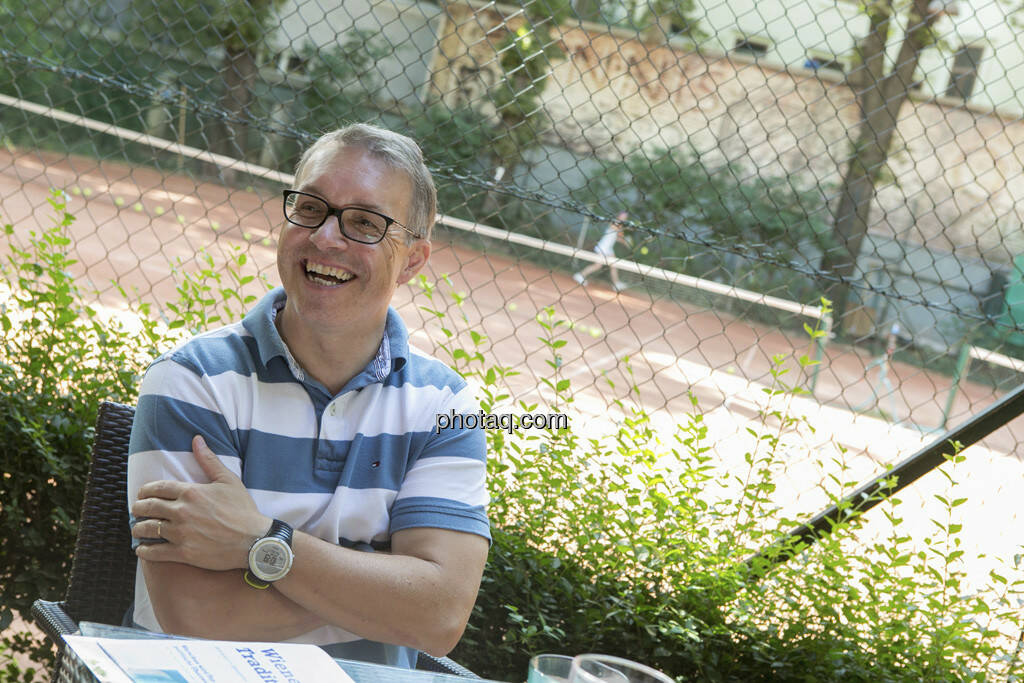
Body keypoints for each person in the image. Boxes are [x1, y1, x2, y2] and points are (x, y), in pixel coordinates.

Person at [126, 123, 490, 668]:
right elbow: (198, 612)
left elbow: (440, 617)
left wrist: (260, 542)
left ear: (413, 260)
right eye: (311, 208)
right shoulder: (191, 383)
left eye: (365, 222)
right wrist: (382, 577)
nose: (326, 238)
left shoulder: (446, 408)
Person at [573, 211, 628, 292]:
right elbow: (619, 232)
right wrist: (627, 229)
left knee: (614, 265)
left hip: (609, 249)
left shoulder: (619, 226)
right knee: (597, 266)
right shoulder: (614, 223)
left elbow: (618, 237)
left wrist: (625, 241)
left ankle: (616, 284)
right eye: (623, 216)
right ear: (619, 216)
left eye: (625, 217)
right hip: (603, 247)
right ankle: (579, 275)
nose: (624, 218)